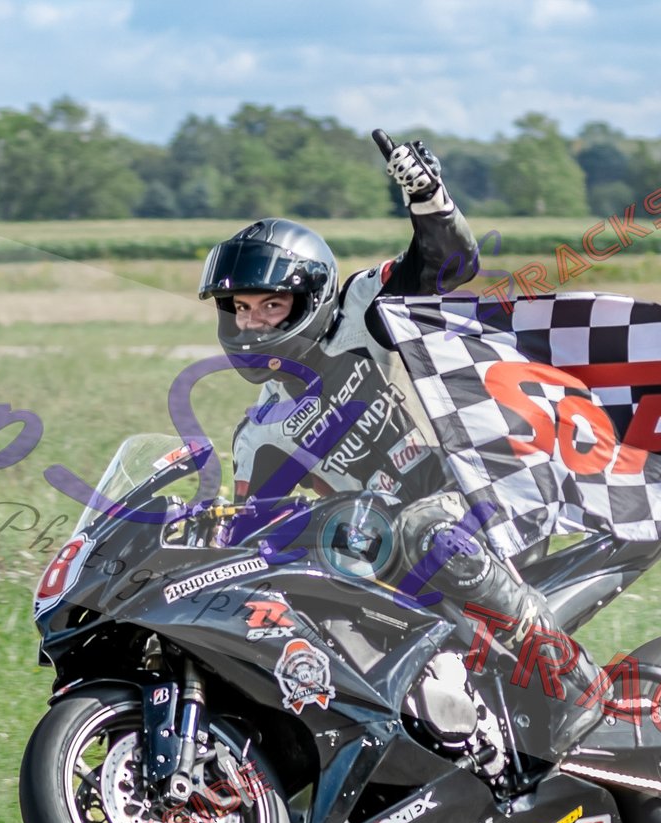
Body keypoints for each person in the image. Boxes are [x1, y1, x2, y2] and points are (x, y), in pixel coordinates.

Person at [195, 140, 609, 778]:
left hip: (473, 495)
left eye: (271, 306)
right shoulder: (258, 436)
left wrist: (427, 199)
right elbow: (260, 535)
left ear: (310, 299)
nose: (253, 325)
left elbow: (448, 264)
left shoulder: (357, 315)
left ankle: (569, 676)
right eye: (241, 309)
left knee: (425, 528)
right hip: (387, 561)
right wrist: (204, 536)